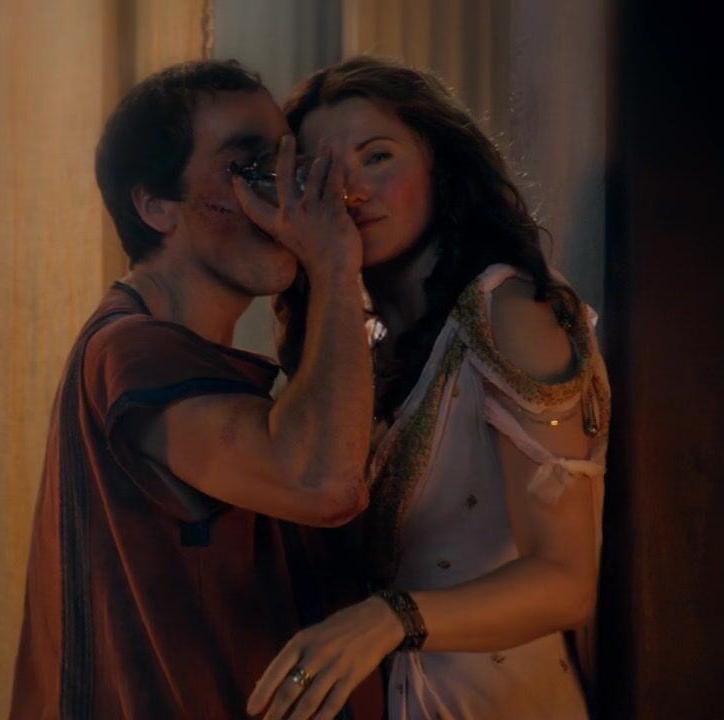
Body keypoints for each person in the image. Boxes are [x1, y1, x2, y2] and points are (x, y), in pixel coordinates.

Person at [9, 59, 384, 719]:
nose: (283, 193)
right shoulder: (131, 350)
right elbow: (324, 484)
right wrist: (333, 263)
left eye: (287, 161)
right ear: (156, 206)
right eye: (248, 165)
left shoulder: (173, 353)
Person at [244, 56, 612, 720]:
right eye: (321, 170)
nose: (351, 190)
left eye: (377, 156)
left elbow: (566, 582)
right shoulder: (362, 346)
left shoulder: (510, 311)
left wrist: (388, 619)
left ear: (440, 166)